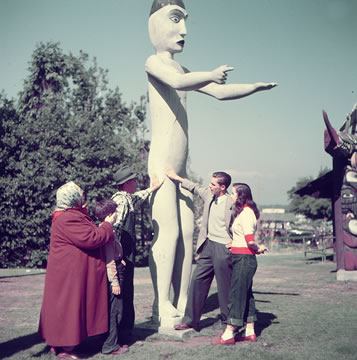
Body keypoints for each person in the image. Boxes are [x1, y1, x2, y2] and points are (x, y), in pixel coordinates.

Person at [146, 0, 277, 321]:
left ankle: (182, 301)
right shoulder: (154, 63)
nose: (183, 30)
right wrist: (211, 73)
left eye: (185, 20)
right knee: (169, 233)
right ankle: (161, 303)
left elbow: (220, 91)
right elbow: (178, 83)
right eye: (175, 19)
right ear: (154, 25)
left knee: (188, 234)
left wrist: (254, 88)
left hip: (178, 170)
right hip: (162, 165)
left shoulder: (185, 71)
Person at [38, 181, 117, 360]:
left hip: (69, 273)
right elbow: (92, 238)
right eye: (80, 193)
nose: (83, 195)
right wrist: (107, 225)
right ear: (72, 198)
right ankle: (65, 348)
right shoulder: (68, 218)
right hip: (69, 275)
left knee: (66, 307)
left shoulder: (70, 215)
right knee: (68, 308)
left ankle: (59, 344)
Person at [167, 167, 233, 331]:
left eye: (213, 184)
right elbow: (195, 187)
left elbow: (247, 220)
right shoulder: (209, 196)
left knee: (225, 287)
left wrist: (236, 241)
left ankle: (229, 323)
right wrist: (176, 177)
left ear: (222, 187)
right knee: (197, 281)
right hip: (208, 245)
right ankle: (190, 320)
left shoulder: (232, 202)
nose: (209, 186)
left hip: (224, 248)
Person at [110, 165, 162, 343]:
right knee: (123, 295)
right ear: (127, 184)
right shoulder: (122, 201)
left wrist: (152, 188)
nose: (136, 183)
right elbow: (114, 230)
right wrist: (118, 256)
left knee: (125, 294)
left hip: (123, 254)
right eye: (134, 181)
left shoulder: (126, 198)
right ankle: (121, 335)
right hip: (121, 256)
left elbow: (137, 198)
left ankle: (123, 333)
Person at [213, 183, 267, 345]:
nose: (231, 195)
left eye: (233, 193)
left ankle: (229, 332)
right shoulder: (243, 213)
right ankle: (250, 331)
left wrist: (259, 248)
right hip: (240, 256)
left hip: (244, 259)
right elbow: (243, 238)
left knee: (236, 295)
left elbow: (250, 241)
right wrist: (234, 243)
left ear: (240, 196)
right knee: (247, 294)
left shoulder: (246, 214)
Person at [94, 199, 129, 355]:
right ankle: (110, 346)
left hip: (117, 269)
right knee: (115, 311)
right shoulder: (106, 231)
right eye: (115, 212)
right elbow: (109, 260)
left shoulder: (106, 229)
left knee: (114, 310)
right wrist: (114, 281)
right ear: (109, 214)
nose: (117, 215)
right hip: (114, 274)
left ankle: (109, 342)